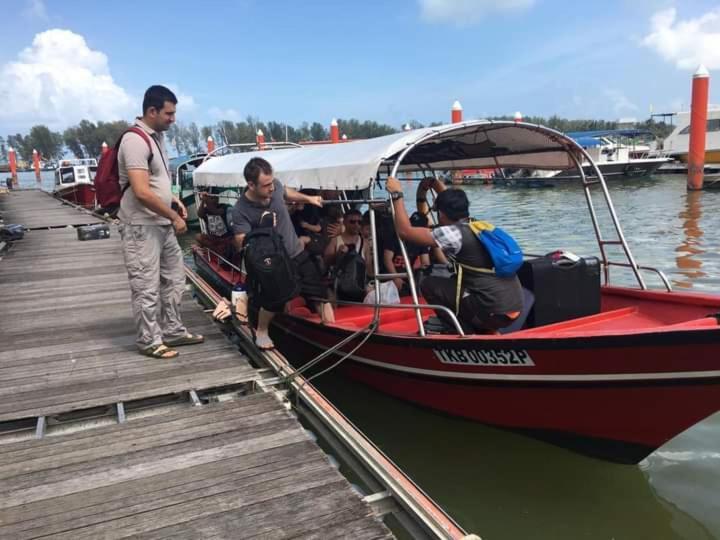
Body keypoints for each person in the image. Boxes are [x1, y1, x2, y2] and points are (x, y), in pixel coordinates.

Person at [118, 85, 204, 359]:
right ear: (152, 111)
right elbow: (142, 191)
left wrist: (173, 201)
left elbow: (158, 181)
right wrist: (174, 216)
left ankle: (173, 330)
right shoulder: (135, 140)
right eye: (169, 113)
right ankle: (149, 340)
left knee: (175, 278)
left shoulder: (157, 139)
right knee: (146, 283)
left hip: (161, 222)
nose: (173, 119)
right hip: (142, 225)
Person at [384, 176, 523, 334]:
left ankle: (464, 330)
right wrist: (434, 186)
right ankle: (481, 326)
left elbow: (405, 232)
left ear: (442, 214)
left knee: (427, 284)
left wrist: (397, 194)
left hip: (492, 311)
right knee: (451, 280)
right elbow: (449, 204)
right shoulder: (476, 225)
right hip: (514, 307)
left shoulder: (454, 234)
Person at [231, 157, 334, 350]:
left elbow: (287, 193)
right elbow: (241, 242)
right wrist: (258, 232)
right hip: (273, 262)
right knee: (275, 299)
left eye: (272, 183)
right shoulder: (240, 210)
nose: (271, 188)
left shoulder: (275, 186)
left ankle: (331, 332)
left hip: (295, 252)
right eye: (265, 185)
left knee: (320, 293)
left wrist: (308, 198)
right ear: (251, 184)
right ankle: (262, 331)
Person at [196, 190, 233, 259]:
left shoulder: (224, 207)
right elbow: (199, 214)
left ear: (217, 199)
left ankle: (218, 251)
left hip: (225, 238)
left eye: (213, 198)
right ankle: (216, 250)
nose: (212, 200)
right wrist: (203, 201)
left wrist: (207, 201)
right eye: (211, 198)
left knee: (231, 242)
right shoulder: (206, 209)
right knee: (198, 237)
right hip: (213, 238)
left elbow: (216, 212)